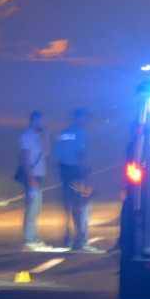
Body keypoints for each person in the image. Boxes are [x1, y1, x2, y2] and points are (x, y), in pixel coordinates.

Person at [55, 108, 101, 252]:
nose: (86, 121)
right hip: (77, 172)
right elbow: (81, 153)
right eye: (85, 118)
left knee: (69, 207)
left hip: (65, 172)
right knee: (82, 205)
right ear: (79, 118)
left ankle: (68, 238)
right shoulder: (81, 133)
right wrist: (86, 174)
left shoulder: (64, 134)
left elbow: (58, 154)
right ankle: (81, 241)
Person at [18, 110, 49, 251]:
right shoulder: (27, 136)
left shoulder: (39, 136)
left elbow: (47, 152)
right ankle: (29, 238)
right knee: (32, 207)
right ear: (33, 121)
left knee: (36, 208)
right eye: (40, 120)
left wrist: (45, 137)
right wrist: (30, 178)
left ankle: (33, 236)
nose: (42, 123)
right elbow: (25, 158)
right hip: (32, 175)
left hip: (39, 175)